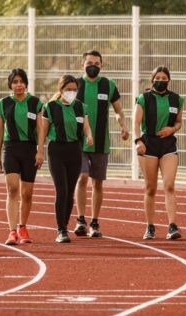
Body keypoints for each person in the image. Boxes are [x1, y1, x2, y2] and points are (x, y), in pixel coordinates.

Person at [74, 50, 129, 238]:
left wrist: (123, 125)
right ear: (82, 65)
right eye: (89, 62)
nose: (93, 66)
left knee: (98, 183)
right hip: (78, 142)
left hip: (101, 142)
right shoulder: (74, 85)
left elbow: (118, 110)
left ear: (101, 66)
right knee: (82, 177)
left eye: (97, 63)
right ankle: (80, 219)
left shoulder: (108, 85)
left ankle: (94, 222)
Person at [39, 75, 93, 243]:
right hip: (57, 150)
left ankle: (66, 225)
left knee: (70, 192)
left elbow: (86, 126)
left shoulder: (80, 107)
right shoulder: (50, 107)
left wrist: (89, 136)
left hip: (75, 150)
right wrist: (39, 151)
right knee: (61, 190)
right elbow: (43, 132)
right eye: (68, 90)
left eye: (74, 90)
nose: (71, 93)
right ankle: (61, 229)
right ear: (60, 90)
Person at [133, 65, 183, 240]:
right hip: (149, 145)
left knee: (169, 185)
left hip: (168, 144)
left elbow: (179, 122)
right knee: (151, 188)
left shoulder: (177, 99)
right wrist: (138, 141)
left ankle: (172, 226)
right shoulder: (144, 98)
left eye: (164, 78)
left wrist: (172, 129)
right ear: (152, 79)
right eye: (158, 78)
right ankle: (150, 226)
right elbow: (136, 123)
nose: (161, 81)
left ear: (169, 80)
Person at [0, 68, 44, 245]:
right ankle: (12, 231)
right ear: (10, 84)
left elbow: (40, 129)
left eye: (21, 81)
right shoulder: (3, 103)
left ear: (26, 83)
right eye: (15, 82)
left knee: (27, 193)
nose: (18, 85)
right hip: (11, 148)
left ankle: (23, 227)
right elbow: (0, 130)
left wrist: (40, 151)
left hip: (29, 149)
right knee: (12, 189)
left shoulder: (35, 103)